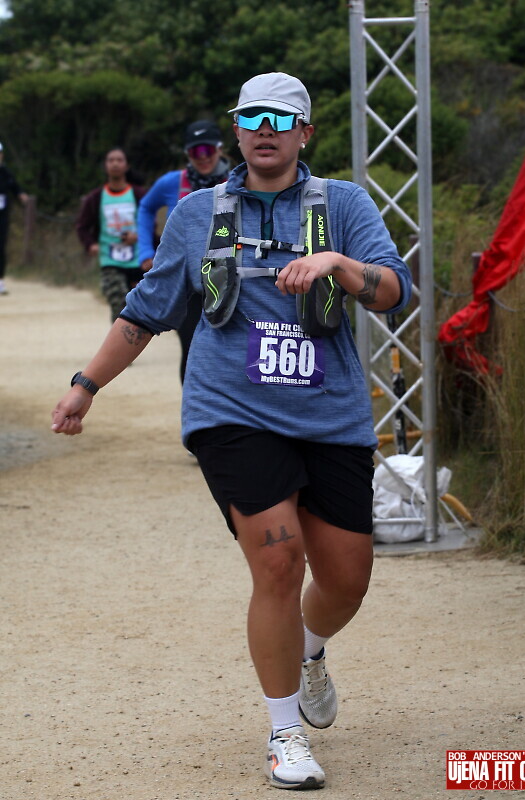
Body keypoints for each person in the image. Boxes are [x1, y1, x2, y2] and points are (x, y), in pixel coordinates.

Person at [51, 72, 412, 791]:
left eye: (281, 118)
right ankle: (284, 733)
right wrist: (84, 387)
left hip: (330, 413)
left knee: (347, 580)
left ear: (305, 132)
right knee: (278, 562)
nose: (265, 130)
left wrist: (338, 264)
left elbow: (396, 289)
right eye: (252, 118)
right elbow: (146, 311)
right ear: (236, 131)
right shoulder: (196, 214)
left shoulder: (342, 205)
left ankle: (309, 650)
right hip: (233, 412)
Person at [137, 120, 231, 382]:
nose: (202, 157)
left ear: (219, 149)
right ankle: (194, 406)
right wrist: (145, 251)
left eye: (207, 150)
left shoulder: (238, 181)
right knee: (191, 347)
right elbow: (146, 208)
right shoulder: (172, 182)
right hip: (187, 282)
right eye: (194, 151)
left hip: (229, 279)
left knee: (228, 348)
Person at [76, 148, 146, 323]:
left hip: (138, 260)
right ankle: (119, 338)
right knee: (119, 302)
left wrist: (138, 236)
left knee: (139, 307)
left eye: (119, 160)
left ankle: (132, 337)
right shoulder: (96, 198)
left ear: (127, 166)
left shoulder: (139, 194)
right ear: (105, 166)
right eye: (111, 160)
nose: (115, 164)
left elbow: (150, 224)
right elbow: (82, 227)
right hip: (110, 260)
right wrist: (90, 244)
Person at [0, 142, 29, 296]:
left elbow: (15, 187)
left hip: (2, 217)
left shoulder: (6, 173)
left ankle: (0, 280)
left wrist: (21, 195)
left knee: (0, 247)